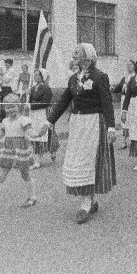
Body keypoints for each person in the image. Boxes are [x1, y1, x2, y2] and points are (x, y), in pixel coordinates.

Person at [41, 43, 117, 224]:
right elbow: (63, 102)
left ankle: (85, 203)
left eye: (77, 53)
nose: (73, 55)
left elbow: (107, 103)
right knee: (78, 160)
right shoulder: (73, 79)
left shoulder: (100, 77)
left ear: (87, 57)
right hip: (77, 124)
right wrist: (48, 121)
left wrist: (111, 127)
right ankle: (91, 199)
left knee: (89, 160)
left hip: (93, 123)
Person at [0, 94, 40, 215]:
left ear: (19, 106)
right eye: (7, 107)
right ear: (4, 109)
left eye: (13, 106)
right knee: (1, 175)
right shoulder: (5, 121)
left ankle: (32, 197)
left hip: (21, 150)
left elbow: (30, 133)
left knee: (25, 174)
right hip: (8, 150)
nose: (10, 110)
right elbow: (0, 135)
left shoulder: (24, 120)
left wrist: (38, 134)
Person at [28, 69, 59, 168]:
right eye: (35, 75)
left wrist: (31, 106)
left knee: (47, 133)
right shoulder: (33, 88)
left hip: (44, 113)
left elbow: (45, 102)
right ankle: (38, 159)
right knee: (36, 133)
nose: (36, 77)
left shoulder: (46, 88)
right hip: (35, 114)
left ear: (43, 77)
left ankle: (52, 150)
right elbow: (29, 100)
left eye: (38, 75)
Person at [111, 60, 136, 150]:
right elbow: (119, 87)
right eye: (127, 65)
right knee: (124, 120)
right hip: (124, 100)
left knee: (132, 120)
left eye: (130, 65)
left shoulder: (136, 77)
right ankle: (124, 141)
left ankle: (133, 140)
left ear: (134, 66)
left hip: (132, 101)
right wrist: (113, 89)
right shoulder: (125, 77)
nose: (128, 67)